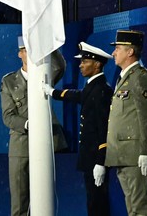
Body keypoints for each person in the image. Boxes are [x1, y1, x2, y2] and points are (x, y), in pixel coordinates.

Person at [44, 42, 114, 216]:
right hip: (90, 156)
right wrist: (53, 92)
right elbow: (78, 95)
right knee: (94, 201)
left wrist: (101, 161)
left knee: (98, 203)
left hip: (96, 157)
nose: (81, 65)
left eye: (85, 61)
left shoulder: (101, 90)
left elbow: (104, 128)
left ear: (97, 64)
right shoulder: (94, 87)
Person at [1, 38, 69, 216]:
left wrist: (48, 46)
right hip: (21, 145)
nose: (30, 54)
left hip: (44, 143)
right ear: (20, 54)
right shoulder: (9, 82)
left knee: (43, 197)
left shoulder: (45, 74)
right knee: (20, 201)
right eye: (26, 50)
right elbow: (8, 116)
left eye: (33, 50)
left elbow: (60, 66)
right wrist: (29, 124)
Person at [101, 29, 147, 216]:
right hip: (123, 155)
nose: (114, 53)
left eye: (118, 48)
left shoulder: (140, 77)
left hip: (135, 155)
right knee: (133, 209)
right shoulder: (125, 77)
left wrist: (146, 151)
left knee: (141, 208)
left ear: (130, 52)